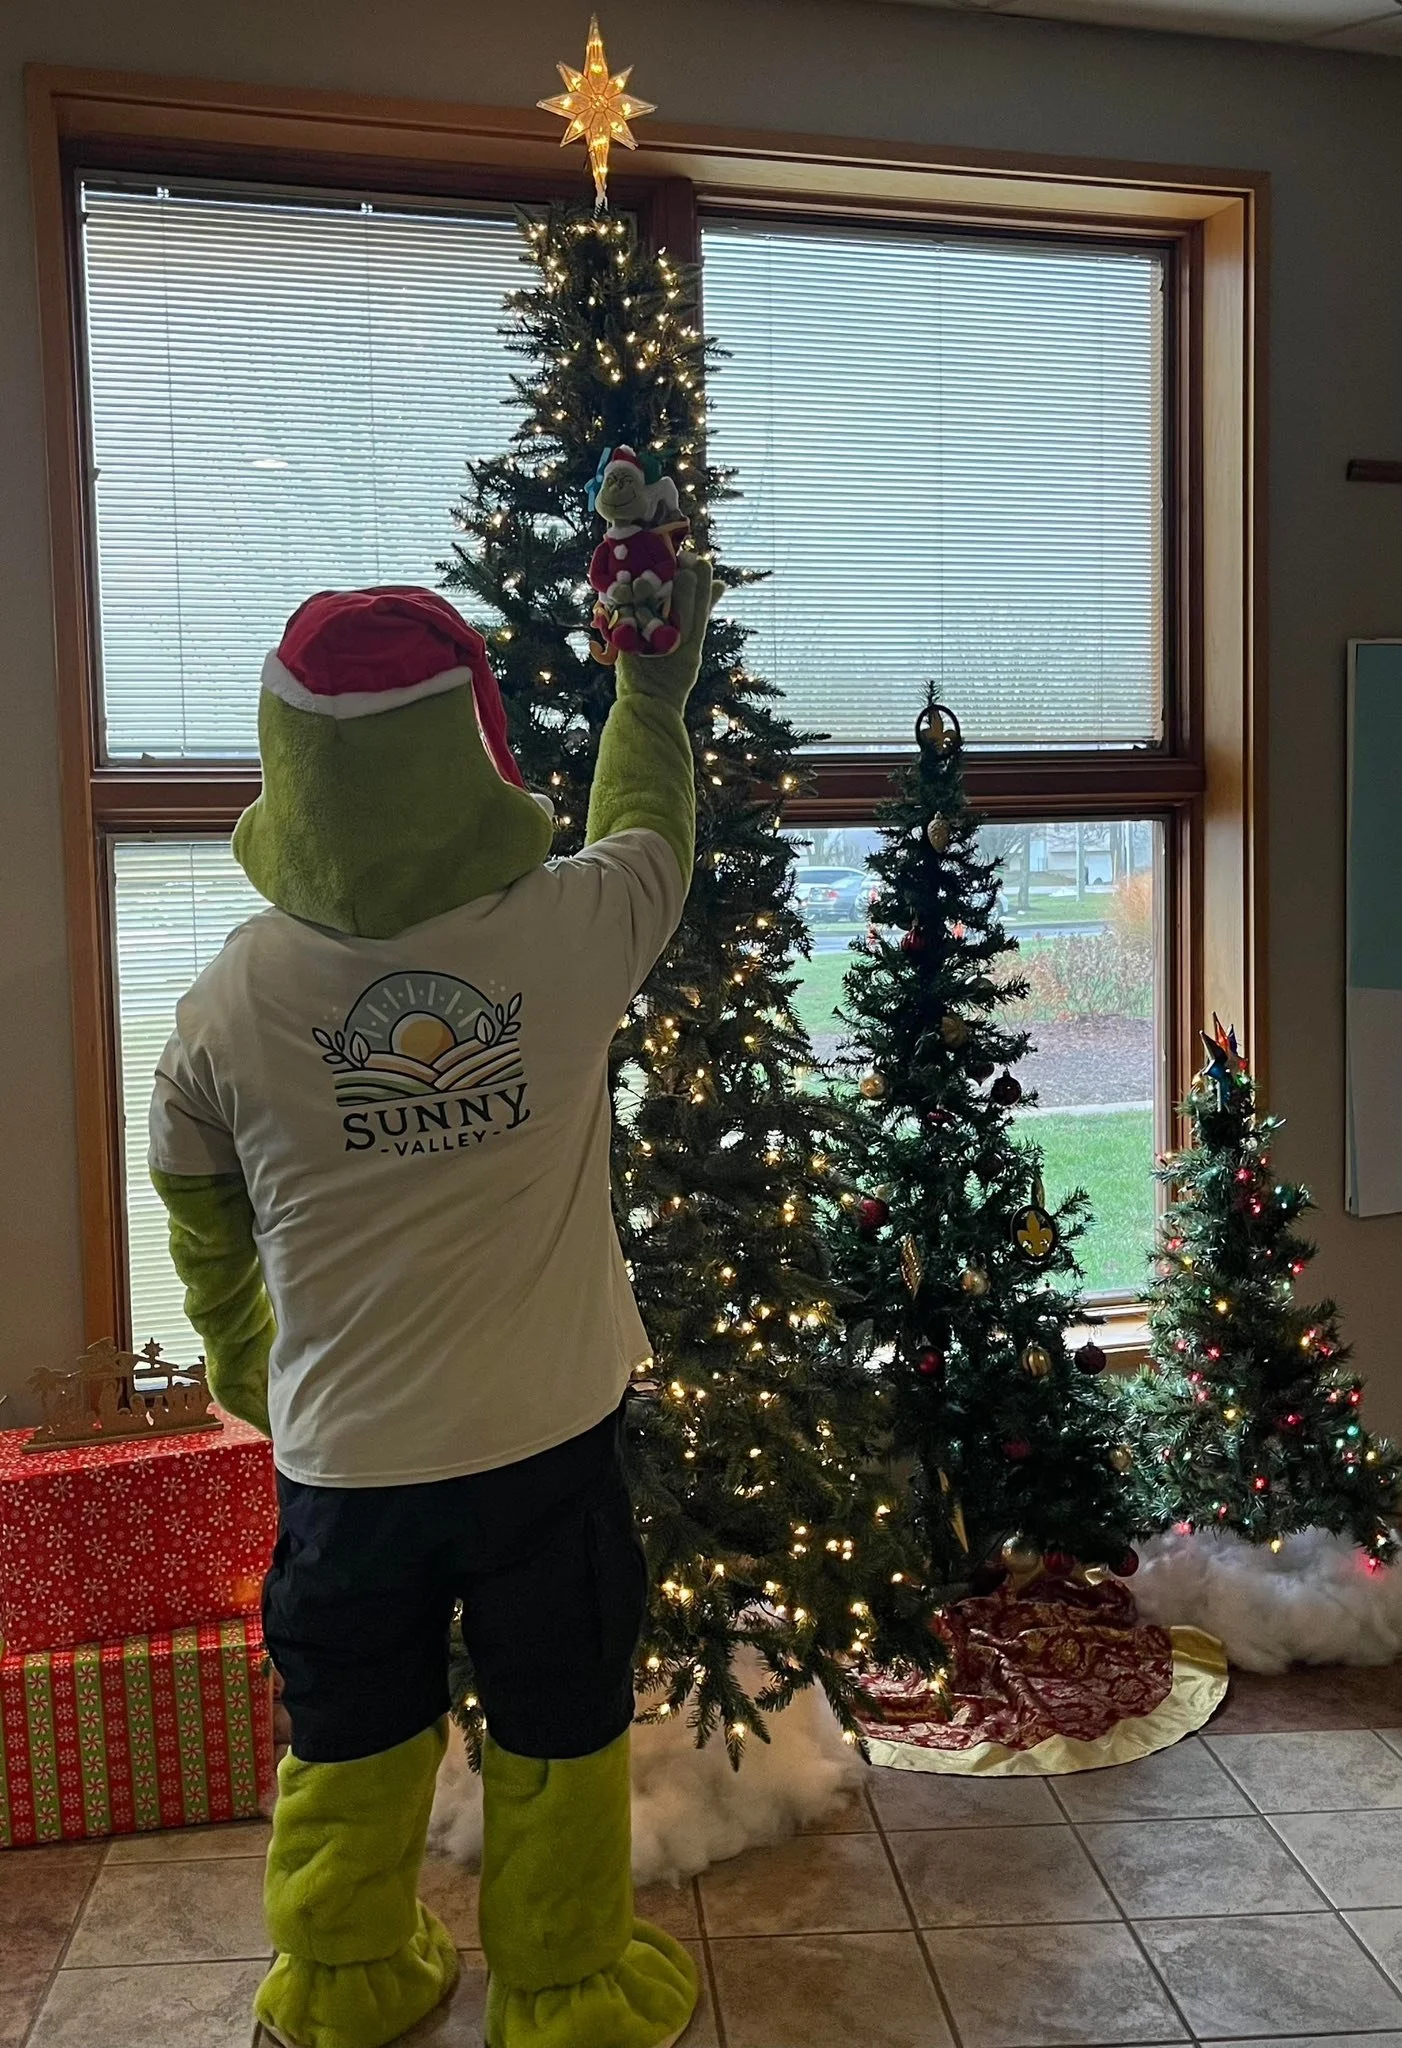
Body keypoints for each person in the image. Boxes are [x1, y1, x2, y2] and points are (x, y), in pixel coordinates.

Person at [148, 554, 719, 2048]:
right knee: (558, 1720)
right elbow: (649, 827)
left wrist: (248, 1356)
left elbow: (193, 1192)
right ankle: (563, 1987)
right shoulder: (568, 930)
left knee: (352, 1726)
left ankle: (341, 1977)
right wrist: (645, 683)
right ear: (467, 743)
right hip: (547, 1436)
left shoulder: (231, 996)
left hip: (345, 1461)